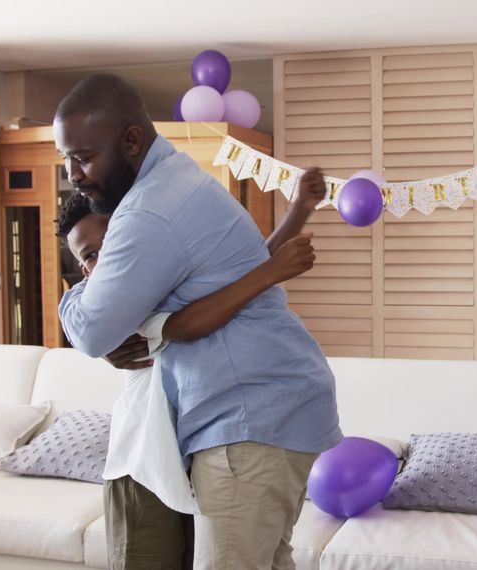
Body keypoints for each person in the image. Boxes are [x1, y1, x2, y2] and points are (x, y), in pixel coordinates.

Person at [54, 73, 342, 570]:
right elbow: (221, 294)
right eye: (66, 158)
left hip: (248, 421)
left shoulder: (147, 213)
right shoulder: (181, 179)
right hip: (279, 409)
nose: (72, 173)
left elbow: (91, 330)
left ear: (130, 141)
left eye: (81, 157)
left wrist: (77, 294)